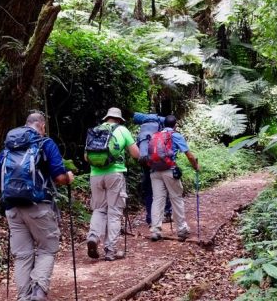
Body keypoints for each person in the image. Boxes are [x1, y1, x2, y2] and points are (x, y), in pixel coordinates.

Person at [0, 112, 75, 301]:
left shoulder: (9, 147)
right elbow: (58, 176)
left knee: (22, 255)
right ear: (40, 125)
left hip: (12, 207)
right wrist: (69, 177)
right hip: (38, 206)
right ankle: (38, 290)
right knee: (47, 248)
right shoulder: (45, 143)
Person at [85, 107, 140, 261]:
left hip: (95, 174)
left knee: (99, 209)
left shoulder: (95, 130)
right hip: (115, 174)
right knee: (114, 212)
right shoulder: (122, 130)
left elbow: (85, 156)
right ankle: (110, 250)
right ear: (119, 119)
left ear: (107, 117)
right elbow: (136, 154)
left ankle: (93, 237)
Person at [148, 115, 200, 242]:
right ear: (175, 125)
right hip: (169, 171)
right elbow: (189, 155)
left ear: (163, 124)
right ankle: (181, 229)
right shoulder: (175, 135)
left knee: (157, 200)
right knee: (176, 198)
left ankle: (155, 230)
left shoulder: (156, 135)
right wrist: (196, 166)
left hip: (154, 172)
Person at [133, 112, 172, 226]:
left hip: (145, 161)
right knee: (163, 186)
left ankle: (150, 218)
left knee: (148, 189)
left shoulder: (143, 128)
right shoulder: (160, 124)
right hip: (157, 161)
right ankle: (167, 212)